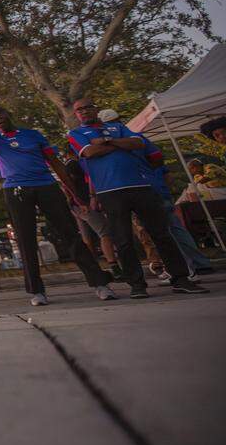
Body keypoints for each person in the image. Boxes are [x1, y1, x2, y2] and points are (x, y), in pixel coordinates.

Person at [0, 107, 116, 305]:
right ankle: (36, 291)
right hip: (16, 189)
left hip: (45, 185)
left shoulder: (32, 135)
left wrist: (76, 196)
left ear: (9, 114)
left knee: (70, 233)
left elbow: (55, 163)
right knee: (25, 240)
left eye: (0, 114)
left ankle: (99, 283)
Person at [67, 99, 207, 298]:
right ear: (76, 114)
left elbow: (139, 142)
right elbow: (88, 152)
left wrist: (108, 142)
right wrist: (121, 145)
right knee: (123, 240)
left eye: (87, 107)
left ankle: (181, 279)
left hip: (141, 186)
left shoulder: (117, 126)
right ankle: (137, 284)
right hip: (110, 191)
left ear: (95, 109)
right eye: (79, 110)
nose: (83, 112)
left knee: (162, 234)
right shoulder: (76, 134)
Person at [131, 132, 212, 281]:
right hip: (162, 194)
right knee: (177, 230)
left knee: (163, 234)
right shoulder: (148, 152)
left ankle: (184, 268)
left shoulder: (131, 158)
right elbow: (169, 177)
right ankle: (199, 263)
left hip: (149, 196)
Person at [60, 146, 120, 278]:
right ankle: (113, 265)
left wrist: (71, 201)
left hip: (77, 205)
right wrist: (82, 200)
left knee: (87, 237)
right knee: (104, 232)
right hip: (84, 202)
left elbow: (65, 185)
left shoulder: (69, 166)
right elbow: (69, 184)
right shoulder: (75, 165)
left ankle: (94, 269)